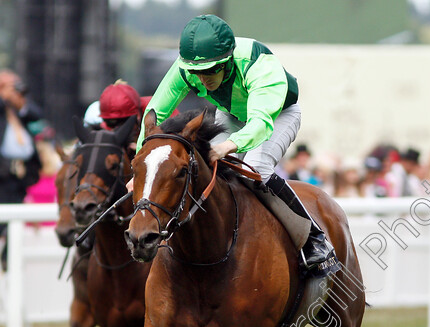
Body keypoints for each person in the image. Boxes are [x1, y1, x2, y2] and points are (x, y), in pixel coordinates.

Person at [138, 14, 339, 277]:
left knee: (257, 167)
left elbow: (259, 124)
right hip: (231, 113)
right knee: (210, 171)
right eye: (197, 72)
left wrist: (228, 146)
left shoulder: (258, 65)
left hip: (276, 115)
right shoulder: (186, 67)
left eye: (211, 71)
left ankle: (314, 238)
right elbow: (155, 111)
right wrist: (143, 159)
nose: (203, 79)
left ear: (228, 60)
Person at [0, 70, 43, 266]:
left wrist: (20, 104)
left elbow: (37, 115)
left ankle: (7, 256)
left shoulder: (18, 106)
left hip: (20, 173)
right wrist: (2, 98)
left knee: (16, 214)